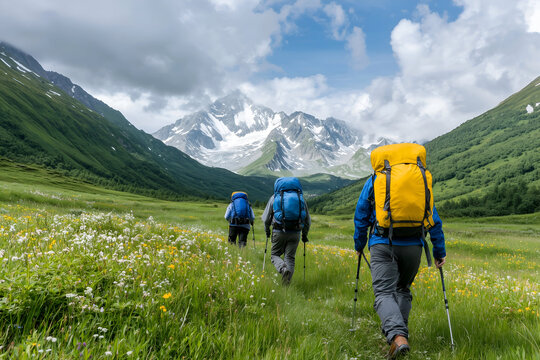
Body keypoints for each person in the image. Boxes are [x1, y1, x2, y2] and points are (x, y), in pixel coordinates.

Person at [353, 144, 446, 359]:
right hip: (414, 245)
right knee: (403, 289)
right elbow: (434, 219)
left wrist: (359, 245)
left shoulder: (376, 179)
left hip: (382, 242)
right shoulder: (420, 181)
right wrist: (439, 250)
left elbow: (361, 213)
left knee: (384, 293)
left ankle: (397, 337)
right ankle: (399, 335)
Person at [262, 177, 311, 285]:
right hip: (295, 232)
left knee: (274, 255)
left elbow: (266, 219)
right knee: (290, 257)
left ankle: (283, 269)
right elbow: (307, 220)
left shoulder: (274, 197)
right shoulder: (300, 198)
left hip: (278, 231)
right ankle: (286, 285)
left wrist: (267, 231)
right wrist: (305, 235)